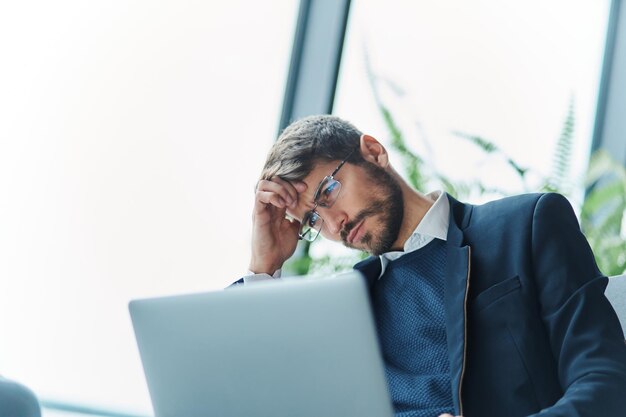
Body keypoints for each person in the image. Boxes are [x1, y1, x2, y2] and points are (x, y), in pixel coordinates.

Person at [231, 115, 626, 417]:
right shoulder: (344, 309)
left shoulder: (526, 226)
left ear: (372, 152)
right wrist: (263, 266)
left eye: (328, 193)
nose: (334, 224)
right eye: (312, 221)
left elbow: (604, 383)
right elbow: (238, 396)